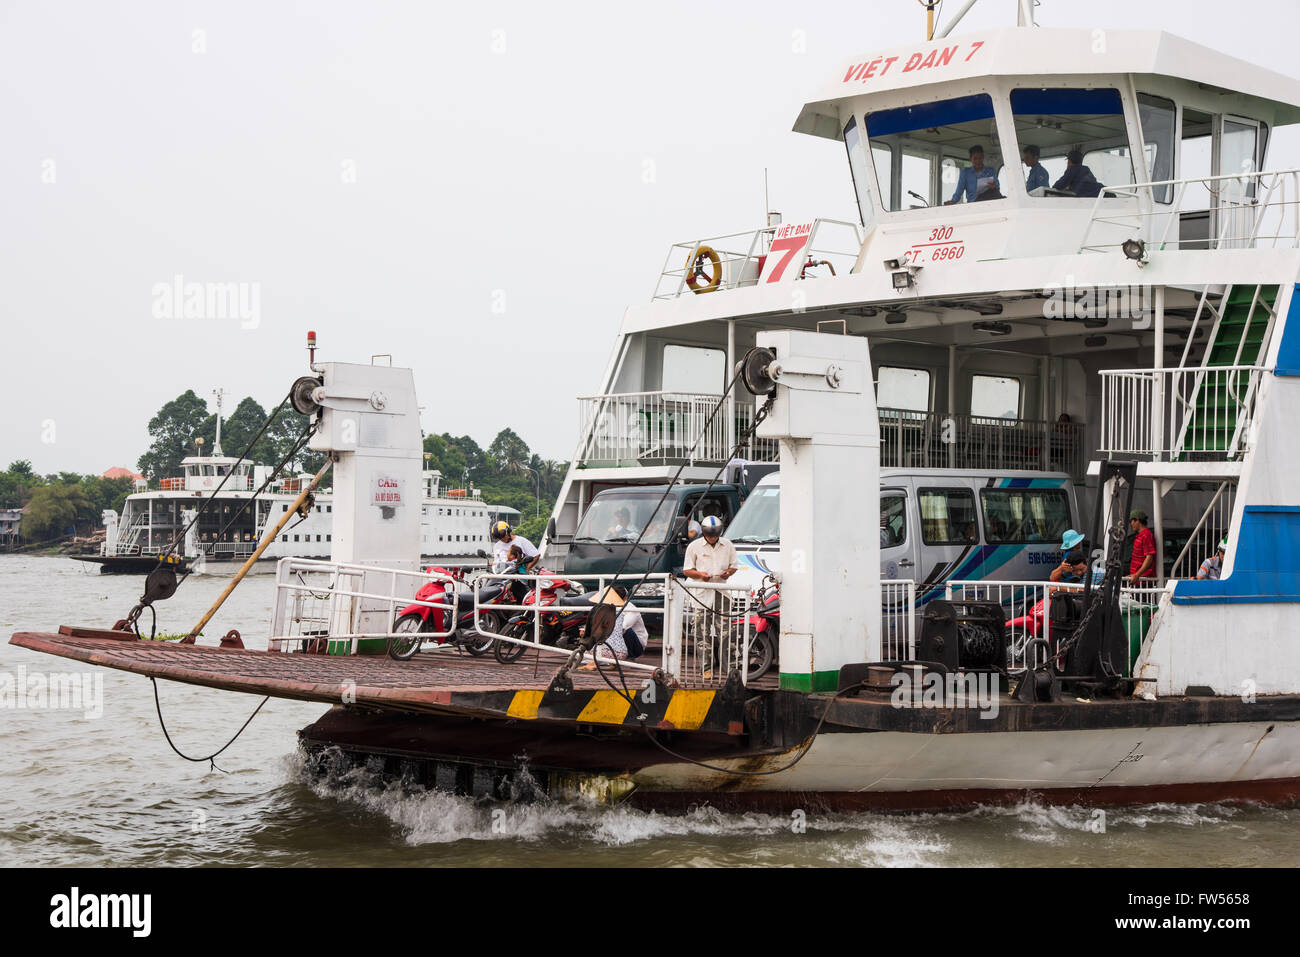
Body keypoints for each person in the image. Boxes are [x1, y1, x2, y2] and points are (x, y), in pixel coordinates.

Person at [682, 514, 739, 678]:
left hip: (721, 592)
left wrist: (728, 573)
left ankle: (731, 668)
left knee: (727, 632)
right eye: (710, 535)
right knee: (701, 632)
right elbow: (687, 570)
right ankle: (706, 668)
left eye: (715, 534)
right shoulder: (694, 547)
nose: (713, 538)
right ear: (704, 532)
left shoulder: (727, 545)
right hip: (701, 594)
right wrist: (700, 574)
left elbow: (733, 566)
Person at [587, 586, 649, 663]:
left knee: (626, 630)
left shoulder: (631, 609)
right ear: (625, 597)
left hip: (636, 646)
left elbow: (623, 627)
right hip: (616, 642)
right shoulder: (610, 607)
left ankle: (629, 655)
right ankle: (608, 653)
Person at [1126, 510, 1157, 582]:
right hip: (1138, 579)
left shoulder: (1146, 535)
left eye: (1131, 521)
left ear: (1137, 520)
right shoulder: (1141, 535)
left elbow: (1149, 558)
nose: (1131, 524)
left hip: (1143, 580)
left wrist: (1137, 575)